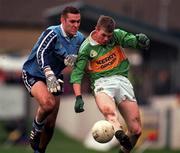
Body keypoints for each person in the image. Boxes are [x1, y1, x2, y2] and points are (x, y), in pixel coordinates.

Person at [70, 15, 150, 153]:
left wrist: (141, 41)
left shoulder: (117, 35)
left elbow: (132, 42)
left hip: (123, 81)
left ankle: (122, 147)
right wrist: (78, 97)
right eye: (104, 35)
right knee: (109, 112)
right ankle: (119, 132)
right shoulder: (86, 48)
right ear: (96, 29)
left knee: (136, 131)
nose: (107, 39)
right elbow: (77, 74)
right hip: (102, 83)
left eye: (109, 36)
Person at [22, 6, 85, 153]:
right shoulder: (52, 32)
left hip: (56, 77)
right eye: (72, 21)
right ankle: (36, 129)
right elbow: (41, 53)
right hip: (34, 73)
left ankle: (40, 151)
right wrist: (48, 72)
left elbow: (83, 61)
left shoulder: (80, 38)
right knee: (48, 104)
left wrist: (78, 60)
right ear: (62, 20)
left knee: (50, 124)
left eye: (78, 21)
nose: (76, 25)